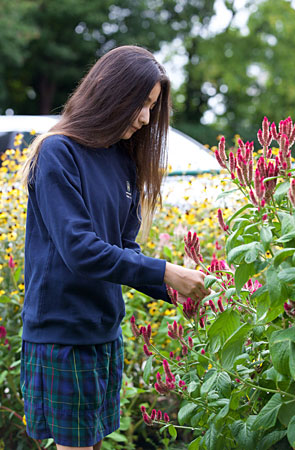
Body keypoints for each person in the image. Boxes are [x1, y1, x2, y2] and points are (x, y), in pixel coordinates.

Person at [20, 45, 209, 450]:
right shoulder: (58, 153)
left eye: (151, 107)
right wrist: (165, 272)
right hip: (62, 336)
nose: (144, 119)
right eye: (140, 104)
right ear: (111, 94)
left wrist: (180, 290)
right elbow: (81, 250)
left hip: (104, 331)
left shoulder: (123, 162)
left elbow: (123, 248)